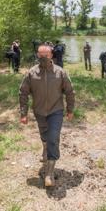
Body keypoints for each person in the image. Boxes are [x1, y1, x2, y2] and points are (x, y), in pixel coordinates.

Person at [19, 44, 75, 187]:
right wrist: (23, 113)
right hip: (39, 112)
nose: (44, 57)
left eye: (47, 54)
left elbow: (69, 91)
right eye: (41, 54)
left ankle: (49, 173)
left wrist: (70, 109)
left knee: (53, 138)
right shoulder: (31, 73)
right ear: (38, 55)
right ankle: (45, 147)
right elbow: (23, 92)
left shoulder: (60, 72)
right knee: (44, 135)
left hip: (56, 111)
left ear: (51, 55)